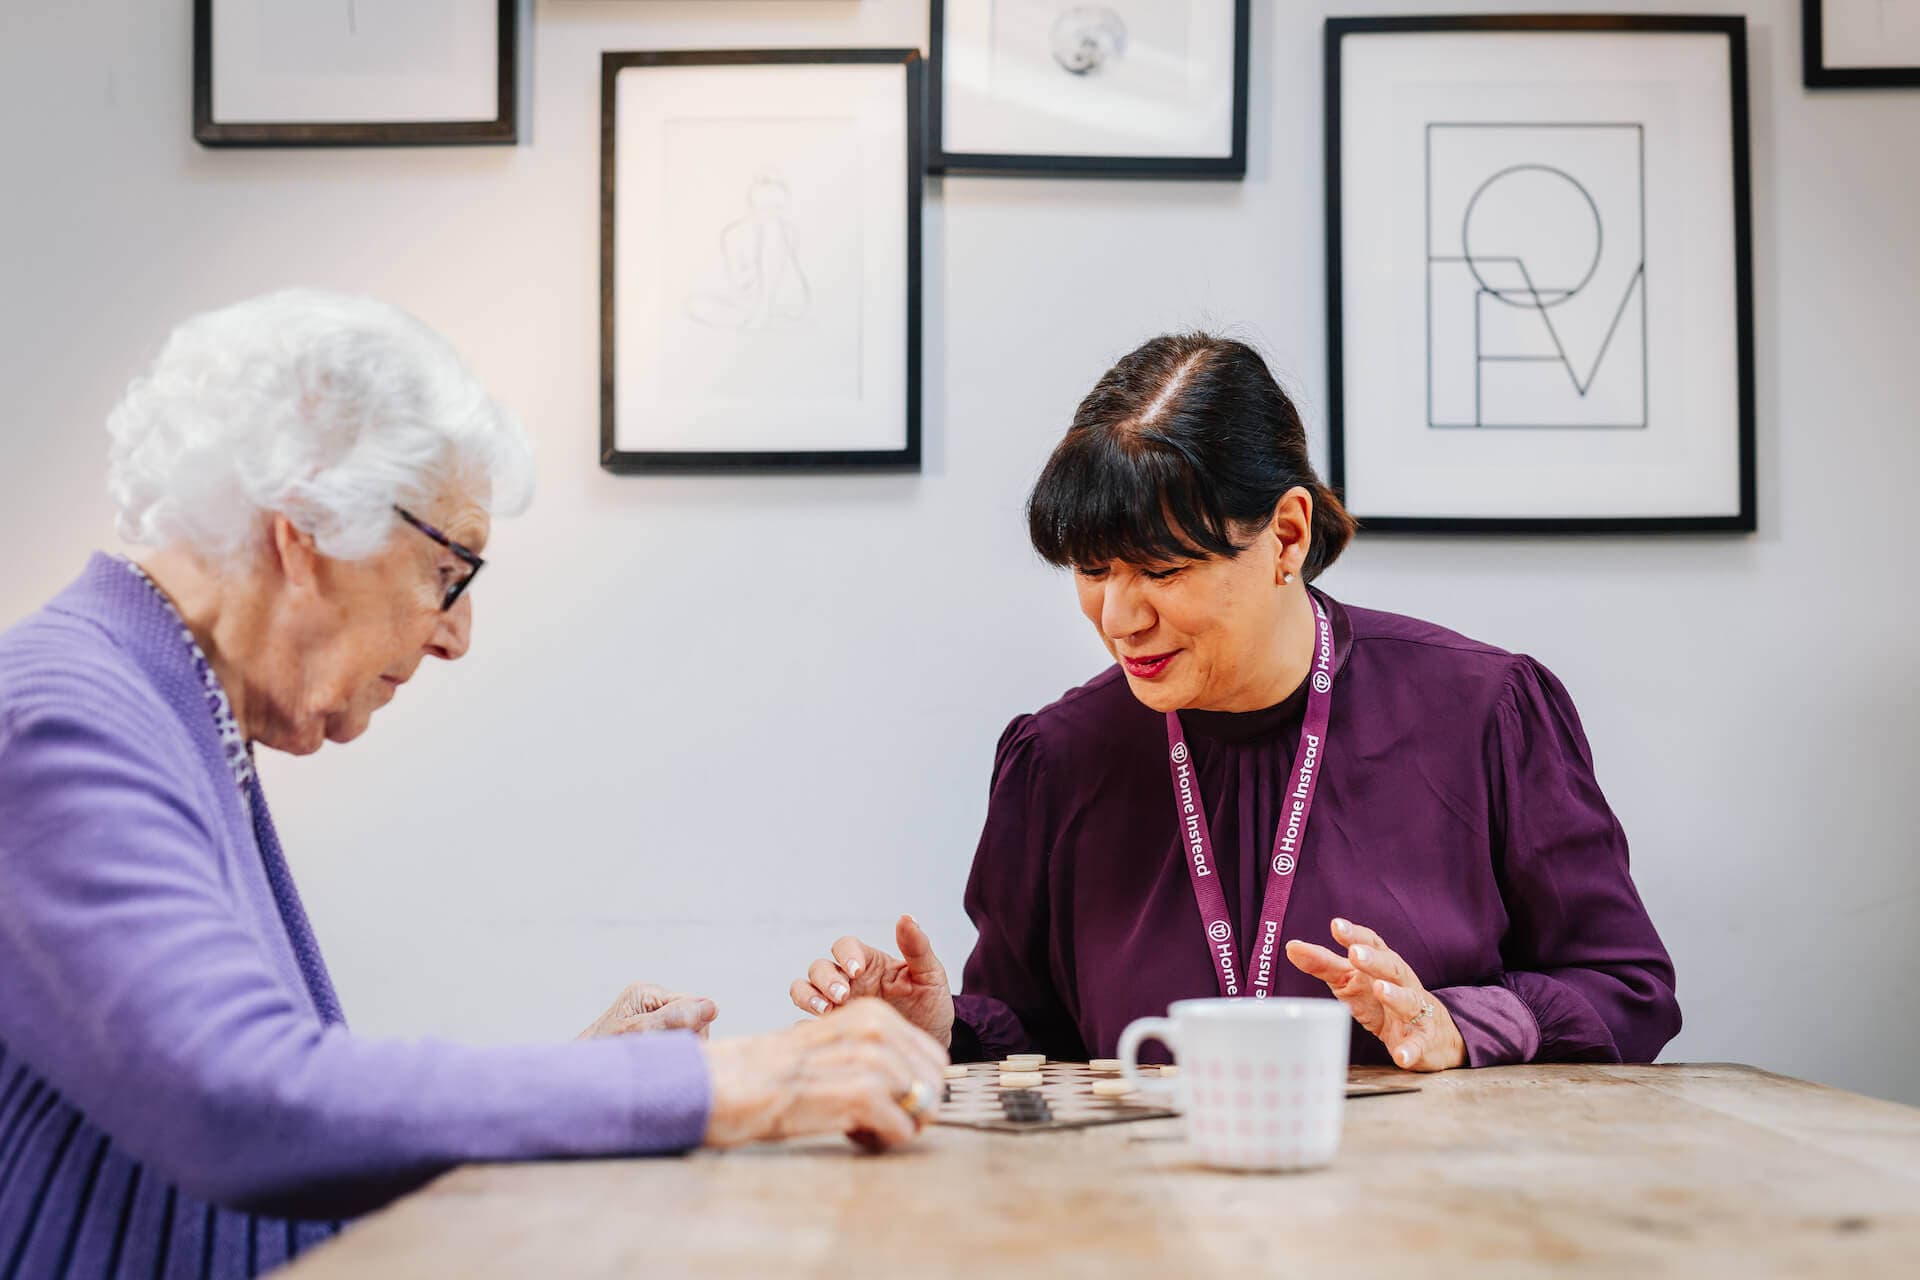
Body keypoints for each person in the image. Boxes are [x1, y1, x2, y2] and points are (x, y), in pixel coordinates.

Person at [0, 292, 945, 1279]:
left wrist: (591, 1076)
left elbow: (276, 1115)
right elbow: (239, 1102)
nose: (458, 634)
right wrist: (714, 1087)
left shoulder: (164, 698)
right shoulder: (62, 714)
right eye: (449, 571)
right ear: (304, 529)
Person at [791, 332, 1680, 1075]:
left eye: (1163, 570)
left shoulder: (1483, 711)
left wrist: (1461, 1026)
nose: (1120, 616)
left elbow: (1628, 990)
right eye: (1093, 571)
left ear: (1287, 533)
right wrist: (938, 1030)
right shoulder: (1059, 761)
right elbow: (1039, 1034)